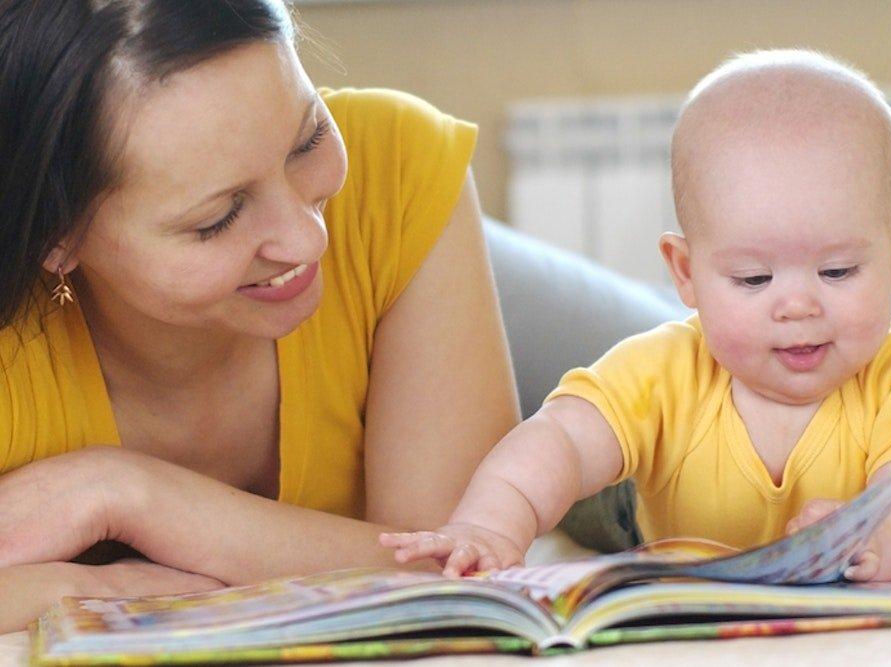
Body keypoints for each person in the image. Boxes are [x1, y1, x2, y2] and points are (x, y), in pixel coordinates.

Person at [0, 0, 518, 632]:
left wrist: (126, 491)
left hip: (466, 272)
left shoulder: (396, 170)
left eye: (309, 140)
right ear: (58, 235)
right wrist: (77, 586)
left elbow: (468, 571)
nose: (307, 242)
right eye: (217, 219)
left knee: (638, 408)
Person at [382, 50, 891, 582]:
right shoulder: (662, 368)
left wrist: (882, 540)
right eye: (754, 279)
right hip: (649, 513)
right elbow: (560, 439)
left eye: (837, 273)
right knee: (579, 498)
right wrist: (488, 527)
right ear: (684, 271)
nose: (799, 306)